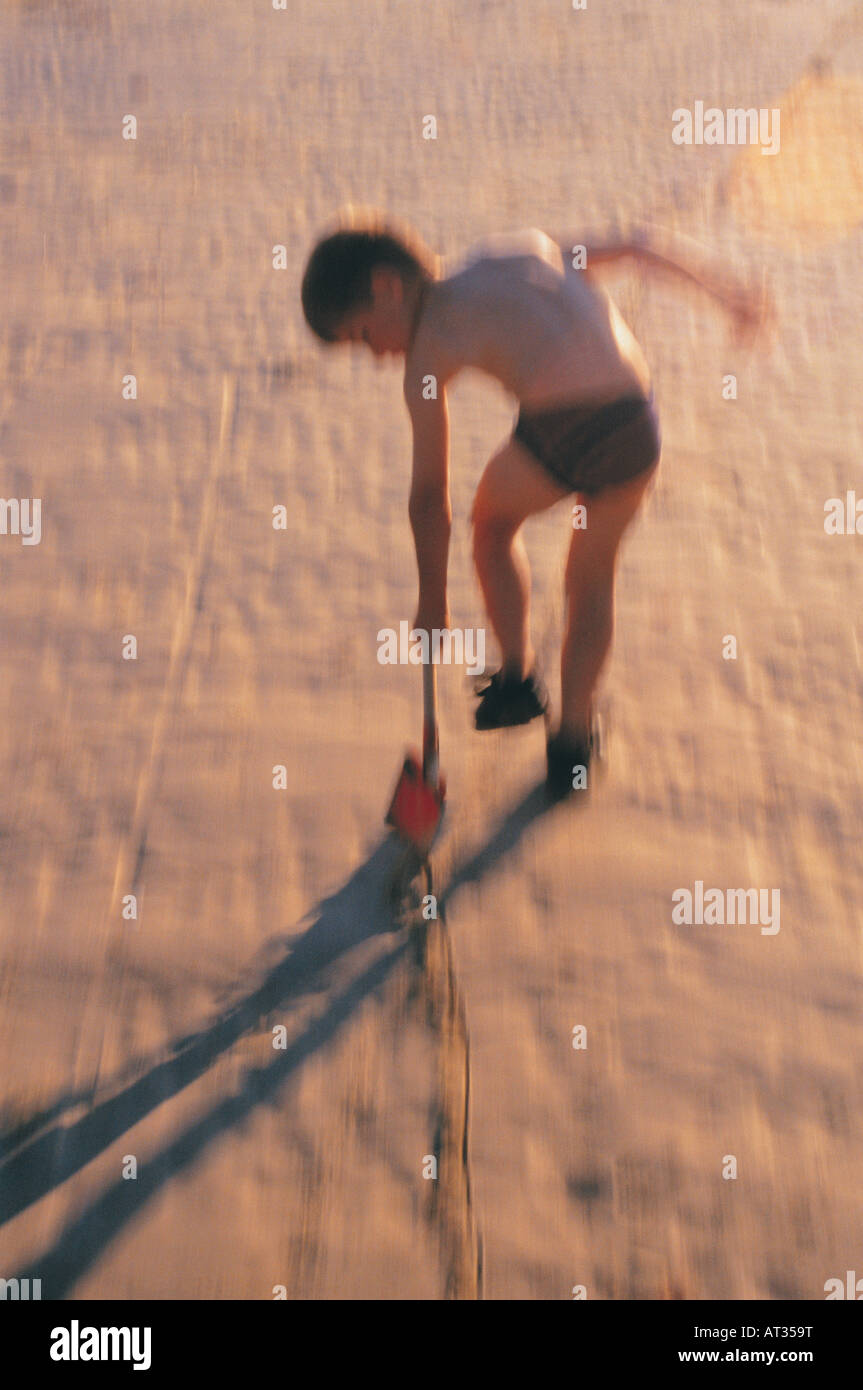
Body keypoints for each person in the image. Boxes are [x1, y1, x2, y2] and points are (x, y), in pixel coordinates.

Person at [301, 210, 768, 798]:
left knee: (493, 524)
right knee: (591, 579)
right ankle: (572, 745)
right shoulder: (517, 248)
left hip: (566, 424)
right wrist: (728, 295)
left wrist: (433, 602)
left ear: (386, 287)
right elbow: (637, 247)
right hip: (636, 421)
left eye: (364, 337)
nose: (375, 356)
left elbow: (429, 498)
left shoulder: (427, 354)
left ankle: (519, 680)